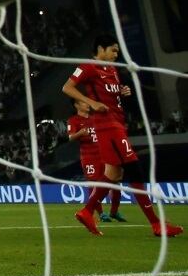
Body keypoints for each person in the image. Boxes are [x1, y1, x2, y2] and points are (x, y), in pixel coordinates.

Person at [62, 34, 183, 237]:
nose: (116, 54)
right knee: (134, 169)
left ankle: (87, 211)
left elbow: (109, 94)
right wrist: (91, 103)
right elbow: (67, 87)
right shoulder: (88, 66)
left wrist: (121, 91)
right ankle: (156, 224)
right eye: (113, 50)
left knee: (114, 175)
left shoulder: (112, 70)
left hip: (117, 123)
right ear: (100, 49)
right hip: (108, 127)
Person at [66, 99, 124, 223]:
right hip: (89, 157)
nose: (87, 104)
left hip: (104, 155)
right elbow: (70, 137)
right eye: (83, 102)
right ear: (76, 105)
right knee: (94, 185)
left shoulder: (94, 119)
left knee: (115, 182)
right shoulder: (73, 120)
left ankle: (114, 211)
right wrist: (80, 133)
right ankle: (101, 213)